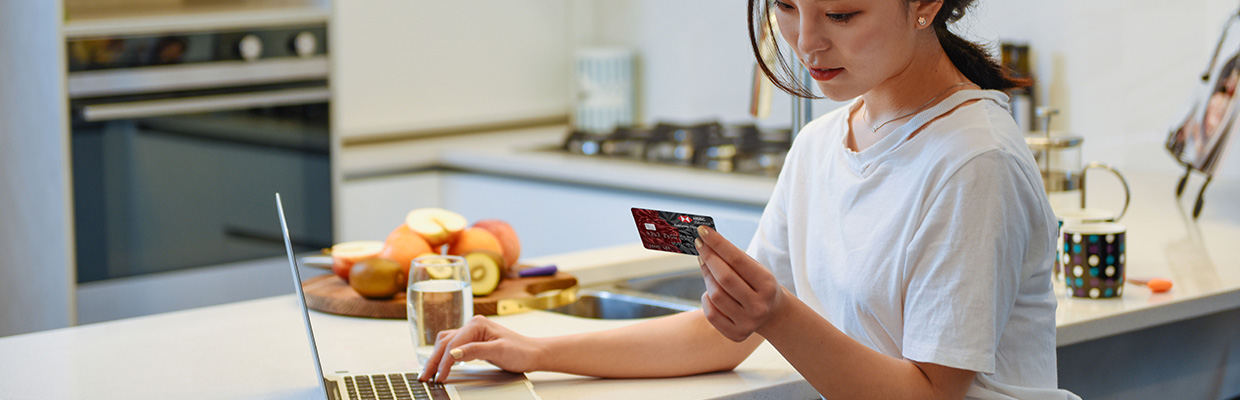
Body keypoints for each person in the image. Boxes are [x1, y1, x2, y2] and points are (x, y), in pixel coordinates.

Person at [421, 0, 1078, 398]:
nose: (805, 40)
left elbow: (928, 396)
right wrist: (536, 348)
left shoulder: (973, 160)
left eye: (841, 15)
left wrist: (774, 312)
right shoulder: (826, 142)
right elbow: (721, 334)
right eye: (788, 6)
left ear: (924, 3)